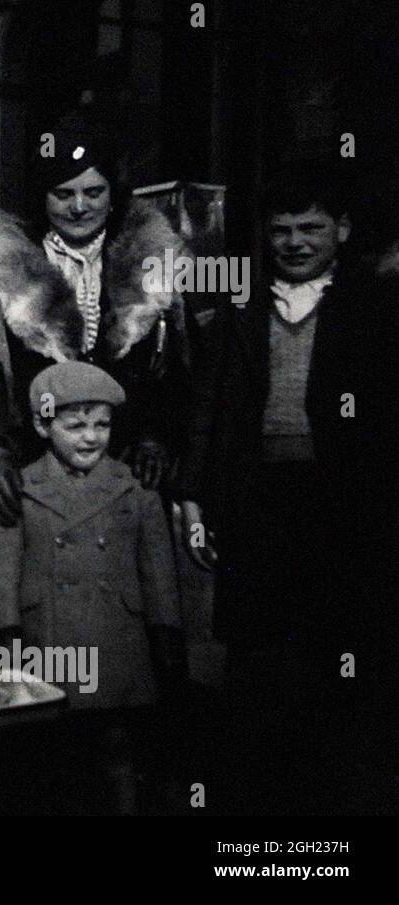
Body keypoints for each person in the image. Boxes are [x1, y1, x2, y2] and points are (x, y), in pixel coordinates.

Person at [177, 164, 399, 813]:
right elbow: (207, 406)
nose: (296, 242)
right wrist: (195, 497)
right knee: (256, 661)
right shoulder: (241, 306)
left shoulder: (372, 306)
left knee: (338, 658)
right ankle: (258, 797)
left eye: (311, 227)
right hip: (257, 505)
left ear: (342, 229)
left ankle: (332, 798)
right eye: (282, 230)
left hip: (341, 508)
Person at [0, 117, 192, 531]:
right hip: (33, 474)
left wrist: (159, 438)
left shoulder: (156, 265)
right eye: (63, 194)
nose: (79, 207)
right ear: (41, 196)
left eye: (93, 192)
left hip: (127, 473)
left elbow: (175, 373)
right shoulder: (1, 269)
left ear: (113, 195)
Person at [0, 361, 185, 814]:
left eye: (102, 424)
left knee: (118, 757)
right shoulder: (20, 489)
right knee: (55, 761)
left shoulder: (135, 487)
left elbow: (159, 574)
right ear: (42, 424)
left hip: (119, 644)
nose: (90, 437)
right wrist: (8, 641)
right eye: (75, 426)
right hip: (49, 642)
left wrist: (167, 637)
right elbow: (1, 577)